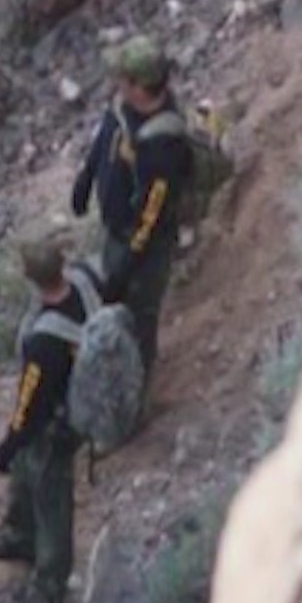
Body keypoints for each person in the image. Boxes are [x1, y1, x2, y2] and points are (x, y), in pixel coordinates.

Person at [0, 239, 98, 603]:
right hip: (76, 404)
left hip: (53, 428)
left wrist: (8, 444)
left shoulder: (43, 342)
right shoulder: (85, 283)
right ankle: (21, 532)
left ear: (31, 280)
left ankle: (47, 592)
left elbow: (28, 405)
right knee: (25, 479)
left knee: (53, 505)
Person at [70, 34, 193, 388]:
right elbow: (107, 134)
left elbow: (152, 215)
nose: (116, 83)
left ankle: (138, 385)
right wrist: (86, 178)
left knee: (140, 315)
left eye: (123, 78)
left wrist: (130, 261)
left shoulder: (163, 145)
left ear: (141, 87)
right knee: (109, 301)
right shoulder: (126, 106)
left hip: (143, 247)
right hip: (115, 229)